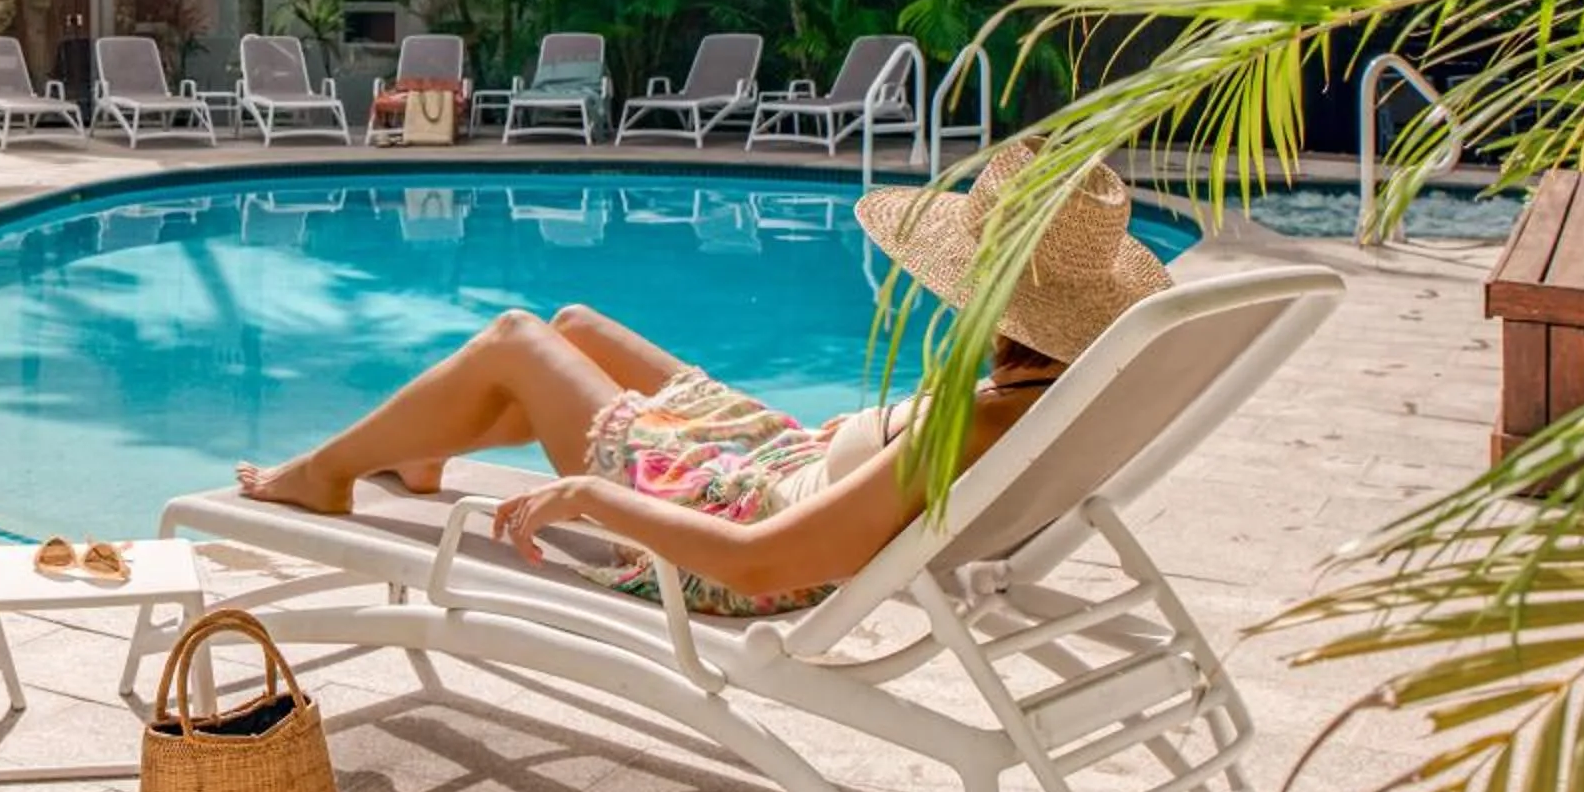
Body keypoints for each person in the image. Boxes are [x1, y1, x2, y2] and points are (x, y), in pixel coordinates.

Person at [236, 141, 1172, 615]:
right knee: (576, 327)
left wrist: (591, 497)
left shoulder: (973, 430)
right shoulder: (1057, 391)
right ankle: (421, 450)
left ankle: (325, 473)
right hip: (780, 462)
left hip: (733, 522)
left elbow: (762, 562)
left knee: (518, 339)